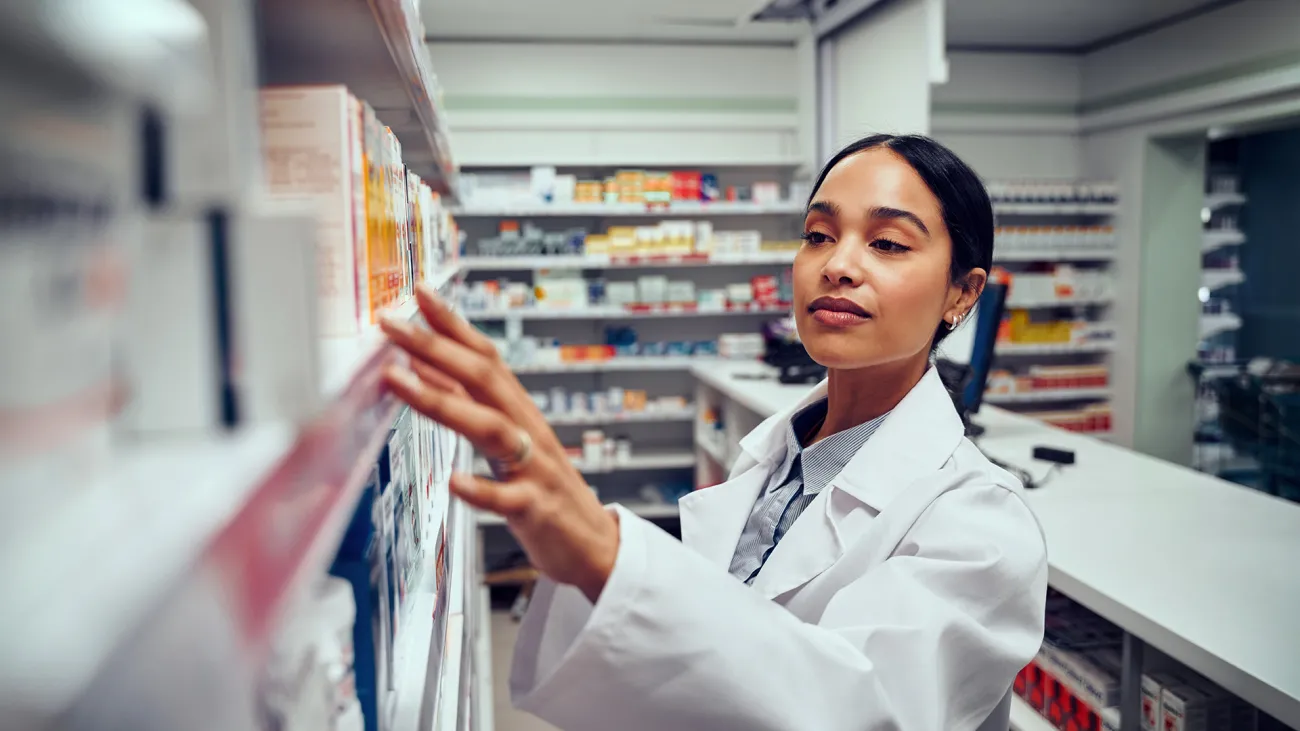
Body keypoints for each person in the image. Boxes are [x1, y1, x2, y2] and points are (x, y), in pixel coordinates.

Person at [379, 134, 1048, 731]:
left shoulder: (980, 522)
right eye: (818, 234)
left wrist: (605, 553)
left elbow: (859, 709)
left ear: (963, 292)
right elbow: (712, 663)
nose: (837, 264)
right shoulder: (774, 455)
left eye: (888, 243)